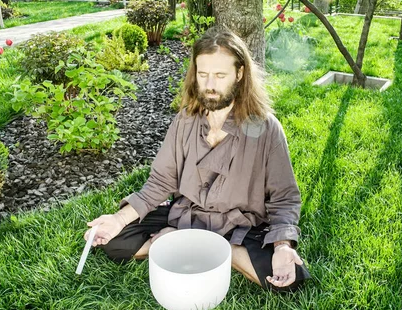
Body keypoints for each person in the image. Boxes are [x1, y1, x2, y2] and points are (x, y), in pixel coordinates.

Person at [84, 25, 310, 291]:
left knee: (289, 278)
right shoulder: (185, 120)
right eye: (203, 75)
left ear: (239, 74)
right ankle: (189, 240)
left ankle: (200, 245)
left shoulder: (267, 128)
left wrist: (282, 246)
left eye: (219, 75)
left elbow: (284, 198)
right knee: (113, 239)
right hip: (186, 214)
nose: (210, 86)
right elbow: (160, 182)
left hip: (239, 226)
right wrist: (118, 220)